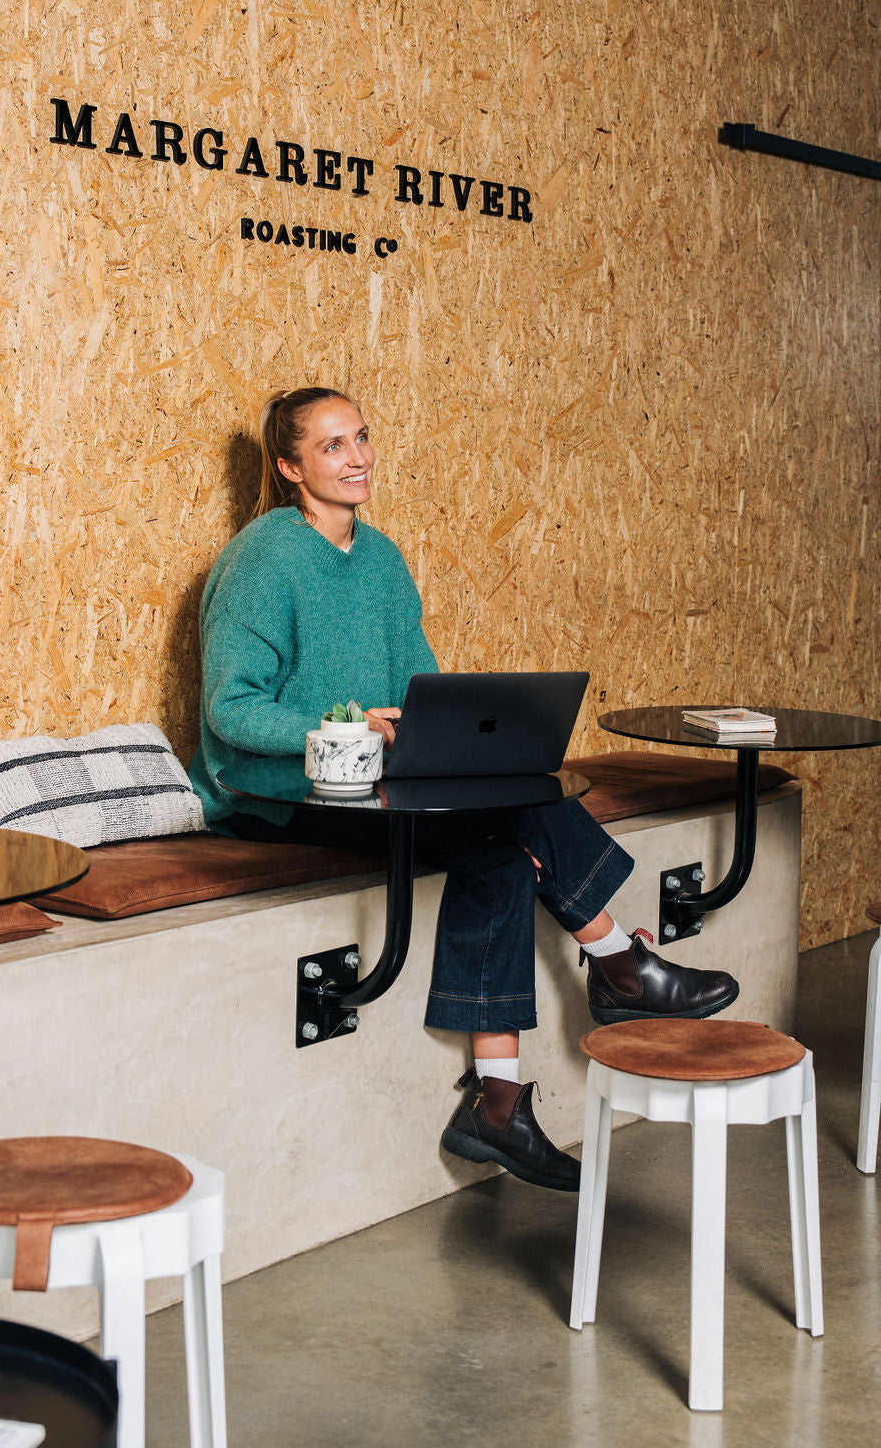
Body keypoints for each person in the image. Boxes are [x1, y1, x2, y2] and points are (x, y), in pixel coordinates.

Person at [189, 387, 739, 1192]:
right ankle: (620, 962)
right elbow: (229, 709)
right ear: (289, 465)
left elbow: (421, 687)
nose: (359, 457)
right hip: (282, 798)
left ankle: (498, 1102)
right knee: (522, 818)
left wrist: (445, 733)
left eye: (363, 438)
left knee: (510, 839)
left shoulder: (380, 558)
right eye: (334, 445)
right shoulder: (262, 557)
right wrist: (348, 727)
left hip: (377, 785)